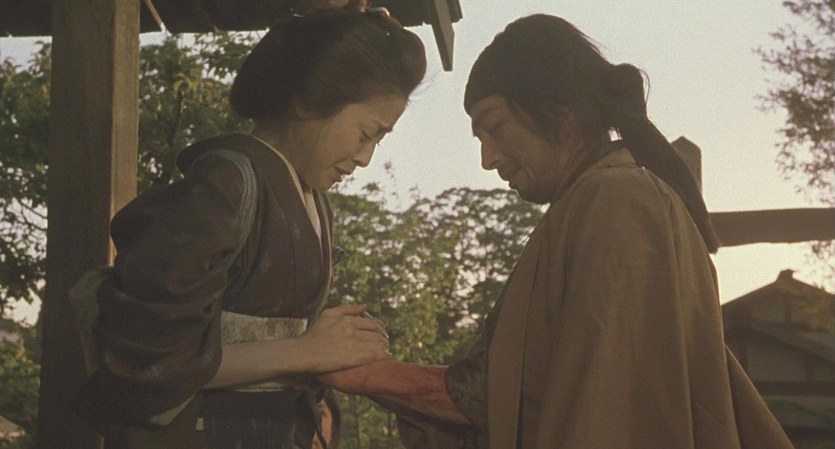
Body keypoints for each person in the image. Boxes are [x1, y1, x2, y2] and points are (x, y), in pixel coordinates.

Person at [319, 14, 796, 449]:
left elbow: (604, 408)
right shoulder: (594, 202)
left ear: (562, 112)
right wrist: (369, 374)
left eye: (494, 128)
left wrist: (370, 374)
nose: (488, 159)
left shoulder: (618, 202)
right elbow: (509, 394)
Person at [72, 8, 426, 449]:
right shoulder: (225, 186)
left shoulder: (314, 201)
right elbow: (148, 361)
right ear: (307, 101)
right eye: (365, 133)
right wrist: (306, 351)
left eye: (379, 140)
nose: (365, 157)